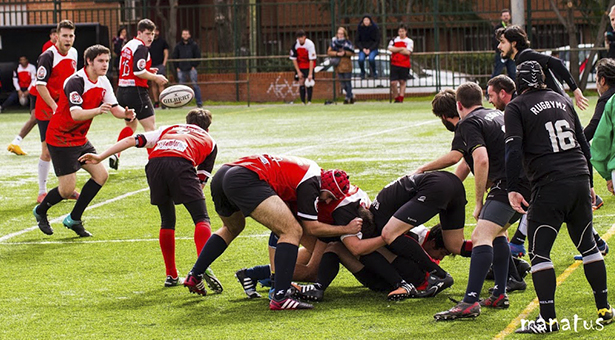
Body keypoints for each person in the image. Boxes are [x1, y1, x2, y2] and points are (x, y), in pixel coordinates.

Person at [505, 60, 612, 333]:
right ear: (542, 78)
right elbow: (582, 142)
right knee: (587, 244)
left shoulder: (516, 106)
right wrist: (588, 180)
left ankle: (548, 319)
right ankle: (604, 309)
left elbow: (514, 150)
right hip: (578, 176)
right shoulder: (560, 98)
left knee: (539, 252)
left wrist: (513, 187)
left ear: (519, 83)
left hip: (549, 182)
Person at [183, 154, 362, 310]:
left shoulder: (309, 172)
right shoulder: (312, 183)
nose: (328, 201)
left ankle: (195, 274)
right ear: (326, 186)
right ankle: (281, 296)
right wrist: (346, 229)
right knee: (292, 231)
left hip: (224, 174)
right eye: (329, 196)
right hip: (245, 178)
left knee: (232, 227)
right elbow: (311, 228)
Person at [423, 82, 530, 321]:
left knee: (481, 235)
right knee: (498, 233)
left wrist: (479, 202)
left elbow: (480, 160)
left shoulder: (468, 122)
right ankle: (500, 293)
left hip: (508, 185)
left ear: (459, 105)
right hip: (527, 181)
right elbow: (468, 163)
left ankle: (470, 302)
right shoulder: (496, 114)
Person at [79, 108, 217, 287]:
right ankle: (201, 267)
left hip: (155, 163)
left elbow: (131, 139)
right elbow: (200, 181)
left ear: (186, 121)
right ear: (207, 127)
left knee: (167, 220)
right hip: (182, 163)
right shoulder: (210, 141)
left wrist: (100, 157)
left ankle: (171, 275)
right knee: (201, 218)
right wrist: (183, 190)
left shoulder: (169, 128)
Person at [33, 44, 136, 238]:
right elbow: (76, 114)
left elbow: (114, 108)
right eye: (100, 61)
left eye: (107, 61)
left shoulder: (103, 81)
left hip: (79, 138)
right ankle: (40, 211)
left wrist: (126, 113)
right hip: (60, 137)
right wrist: (98, 110)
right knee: (67, 190)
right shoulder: (76, 81)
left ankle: (74, 219)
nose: (105, 65)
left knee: (101, 176)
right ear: (89, 61)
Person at [112, 19, 168, 171]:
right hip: (135, 91)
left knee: (131, 125)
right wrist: (155, 77)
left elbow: (131, 69)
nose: (150, 37)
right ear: (139, 33)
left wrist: (149, 72)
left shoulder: (128, 45)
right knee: (150, 128)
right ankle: (155, 163)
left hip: (122, 91)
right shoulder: (141, 47)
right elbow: (138, 72)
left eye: (152, 34)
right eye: (147, 34)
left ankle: (115, 154)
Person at [34, 20, 80, 204]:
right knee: (47, 151)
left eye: (71, 36)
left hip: (65, 109)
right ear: (57, 37)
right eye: (64, 35)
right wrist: (54, 107)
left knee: (69, 148)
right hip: (47, 110)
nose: (68, 39)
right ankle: (42, 191)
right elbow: (40, 85)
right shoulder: (47, 56)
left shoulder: (75, 53)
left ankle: (67, 188)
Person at [496, 24, 589, 111]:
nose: (499, 46)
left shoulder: (525, 56)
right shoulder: (520, 58)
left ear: (513, 43)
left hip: (557, 104)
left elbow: (557, 63)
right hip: (555, 103)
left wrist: (575, 90)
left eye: (502, 42)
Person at [4, 56, 36, 156]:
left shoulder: (32, 67)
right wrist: (20, 91)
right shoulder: (49, 51)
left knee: (36, 119)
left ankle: (15, 142)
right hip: (39, 91)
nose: (68, 39)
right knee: (37, 118)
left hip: (34, 90)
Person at [172, 29, 203, 108]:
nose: (185, 36)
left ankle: (199, 102)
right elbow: (174, 57)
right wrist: (177, 67)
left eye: (186, 34)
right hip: (181, 69)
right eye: (184, 34)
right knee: (181, 87)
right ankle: (180, 103)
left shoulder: (194, 45)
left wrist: (194, 66)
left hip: (191, 69)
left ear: (189, 35)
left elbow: (198, 56)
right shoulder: (178, 46)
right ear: (182, 35)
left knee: (195, 85)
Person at [327, 27, 355, 104]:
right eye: (339, 33)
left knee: (347, 82)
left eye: (342, 34)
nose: (340, 35)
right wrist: (337, 53)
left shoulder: (348, 43)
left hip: (346, 65)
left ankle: (347, 98)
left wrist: (345, 53)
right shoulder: (333, 42)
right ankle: (351, 96)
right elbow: (329, 52)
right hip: (338, 65)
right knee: (342, 83)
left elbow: (352, 52)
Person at [290, 30, 317, 105]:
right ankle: (302, 101)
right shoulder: (295, 45)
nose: (300, 39)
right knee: (301, 81)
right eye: (298, 38)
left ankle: (309, 101)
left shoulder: (310, 44)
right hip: (300, 65)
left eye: (301, 37)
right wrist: (298, 71)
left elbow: (312, 59)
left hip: (308, 65)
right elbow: (294, 59)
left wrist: (310, 73)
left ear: (304, 37)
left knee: (309, 82)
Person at [388, 23, 413, 103]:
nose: (401, 33)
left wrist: (397, 49)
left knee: (402, 81)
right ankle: (396, 98)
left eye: (403, 31)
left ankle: (401, 98)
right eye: (399, 31)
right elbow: (390, 49)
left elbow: (407, 52)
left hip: (404, 64)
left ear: (406, 32)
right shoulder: (394, 40)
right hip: (395, 63)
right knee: (393, 82)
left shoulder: (409, 41)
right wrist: (401, 48)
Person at [490, 9, 516, 80]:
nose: (506, 17)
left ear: (510, 17)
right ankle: (489, 90)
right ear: (501, 17)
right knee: (497, 73)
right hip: (501, 53)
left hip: (510, 53)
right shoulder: (497, 28)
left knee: (513, 73)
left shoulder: (511, 27)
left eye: (507, 15)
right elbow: (494, 41)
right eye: (504, 16)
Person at [149, 28, 169, 109]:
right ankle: (156, 102)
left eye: (157, 31)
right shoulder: (149, 42)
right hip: (151, 65)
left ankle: (163, 102)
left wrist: (164, 64)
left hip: (160, 65)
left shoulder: (162, 41)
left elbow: (166, 53)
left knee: (161, 83)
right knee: (153, 84)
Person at [356, 14, 380, 79]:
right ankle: (362, 72)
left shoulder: (375, 28)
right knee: (360, 59)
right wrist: (362, 48)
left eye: (367, 20)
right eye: (365, 20)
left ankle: (374, 72)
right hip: (363, 48)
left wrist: (370, 49)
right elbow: (357, 41)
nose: (366, 21)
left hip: (373, 48)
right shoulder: (360, 28)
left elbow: (377, 41)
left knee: (371, 59)